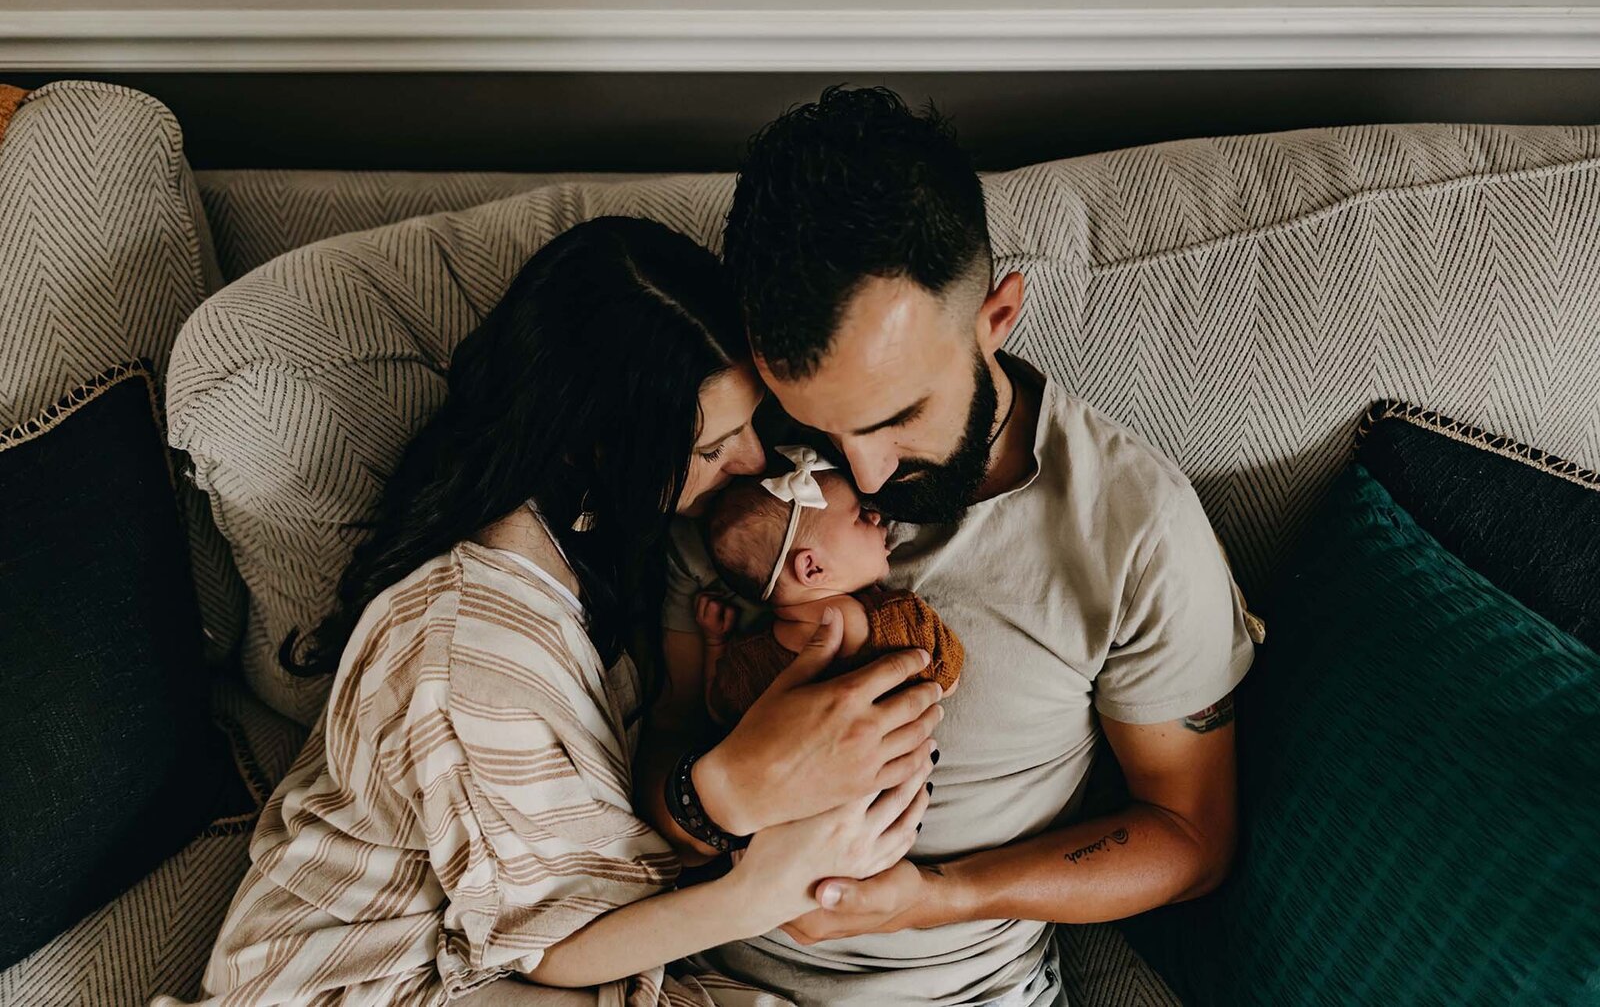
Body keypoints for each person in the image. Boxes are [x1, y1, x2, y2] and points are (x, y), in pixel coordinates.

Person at [159, 216, 946, 1007]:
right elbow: (547, 948)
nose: (752, 464)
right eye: (713, 449)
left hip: (496, 935)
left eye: (750, 429)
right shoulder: (479, 652)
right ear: (599, 447)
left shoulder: (587, 531)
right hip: (371, 979)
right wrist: (769, 888)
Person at [653, 88, 1263, 1007]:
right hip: (701, 976)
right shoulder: (740, 480)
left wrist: (931, 899)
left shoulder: (1131, 526)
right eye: (820, 425)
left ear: (999, 318)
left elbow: (1190, 837)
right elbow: (656, 760)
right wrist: (719, 791)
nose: (860, 475)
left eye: (899, 417)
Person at [694, 446, 963, 725]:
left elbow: (719, 708)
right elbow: (948, 680)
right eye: (859, 516)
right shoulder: (902, 618)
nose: (875, 516)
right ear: (812, 568)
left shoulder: (752, 662)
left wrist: (715, 642)